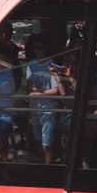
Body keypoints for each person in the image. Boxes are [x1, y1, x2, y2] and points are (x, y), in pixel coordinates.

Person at [25, 33, 60, 164]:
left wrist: (39, 92)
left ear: (45, 48)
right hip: (35, 108)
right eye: (34, 48)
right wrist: (33, 90)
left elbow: (56, 90)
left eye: (38, 48)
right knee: (38, 141)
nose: (36, 51)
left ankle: (48, 167)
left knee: (47, 145)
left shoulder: (52, 65)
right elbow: (29, 85)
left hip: (48, 109)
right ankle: (42, 167)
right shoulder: (31, 64)